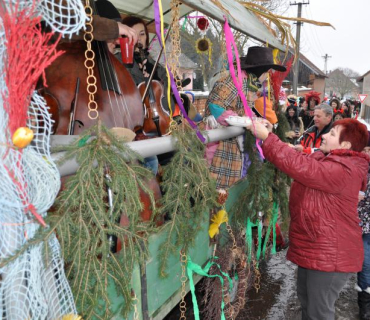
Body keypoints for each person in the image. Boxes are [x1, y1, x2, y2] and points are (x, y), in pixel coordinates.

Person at [246, 118, 369, 320]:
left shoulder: (343, 170)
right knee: (307, 302)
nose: (326, 135)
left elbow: (300, 166)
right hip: (317, 248)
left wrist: (268, 139)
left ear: (345, 145)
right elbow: (302, 159)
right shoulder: (329, 160)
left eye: (333, 133)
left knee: (318, 312)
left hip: (330, 255)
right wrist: (272, 135)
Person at [204, 46, 286, 189]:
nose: (267, 76)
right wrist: (247, 122)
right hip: (220, 144)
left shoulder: (249, 83)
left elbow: (244, 109)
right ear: (260, 70)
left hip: (236, 142)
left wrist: (256, 120)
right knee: (220, 187)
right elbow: (216, 108)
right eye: (267, 72)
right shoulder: (233, 82)